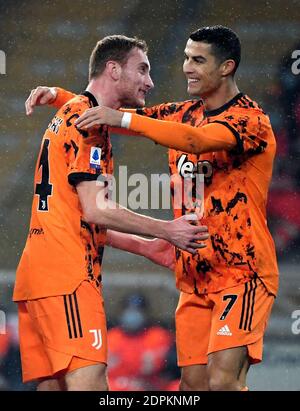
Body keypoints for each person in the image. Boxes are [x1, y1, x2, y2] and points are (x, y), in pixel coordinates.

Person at [26, 25, 279, 391]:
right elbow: (119, 118)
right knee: (193, 386)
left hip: (243, 272)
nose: (187, 68)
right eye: (186, 58)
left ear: (226, 67)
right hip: (195, 277)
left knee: (223, 381)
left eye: (198, 60)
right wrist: (60, 98)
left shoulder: (251, 121)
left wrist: (123, 117)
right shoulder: (182, 113)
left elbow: (196, 140)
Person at [15, 35, 209, 392]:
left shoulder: (72, 113)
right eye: (143, 69)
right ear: (114, 69)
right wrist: (168, 230)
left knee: (53, 387)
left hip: (37, 276)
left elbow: (78, 216)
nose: (150, 82)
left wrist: (145, 245)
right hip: (67, 279)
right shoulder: (90, 127)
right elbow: (96, 208)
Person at [107, 294, 173, 391]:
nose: (133, 315)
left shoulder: (158, 335)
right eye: (129, 310)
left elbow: (148, 368)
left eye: (137, 311)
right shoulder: (112, 336)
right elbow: (108, 368)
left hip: (150, 386)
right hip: (115, 385)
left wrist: (122, 361)